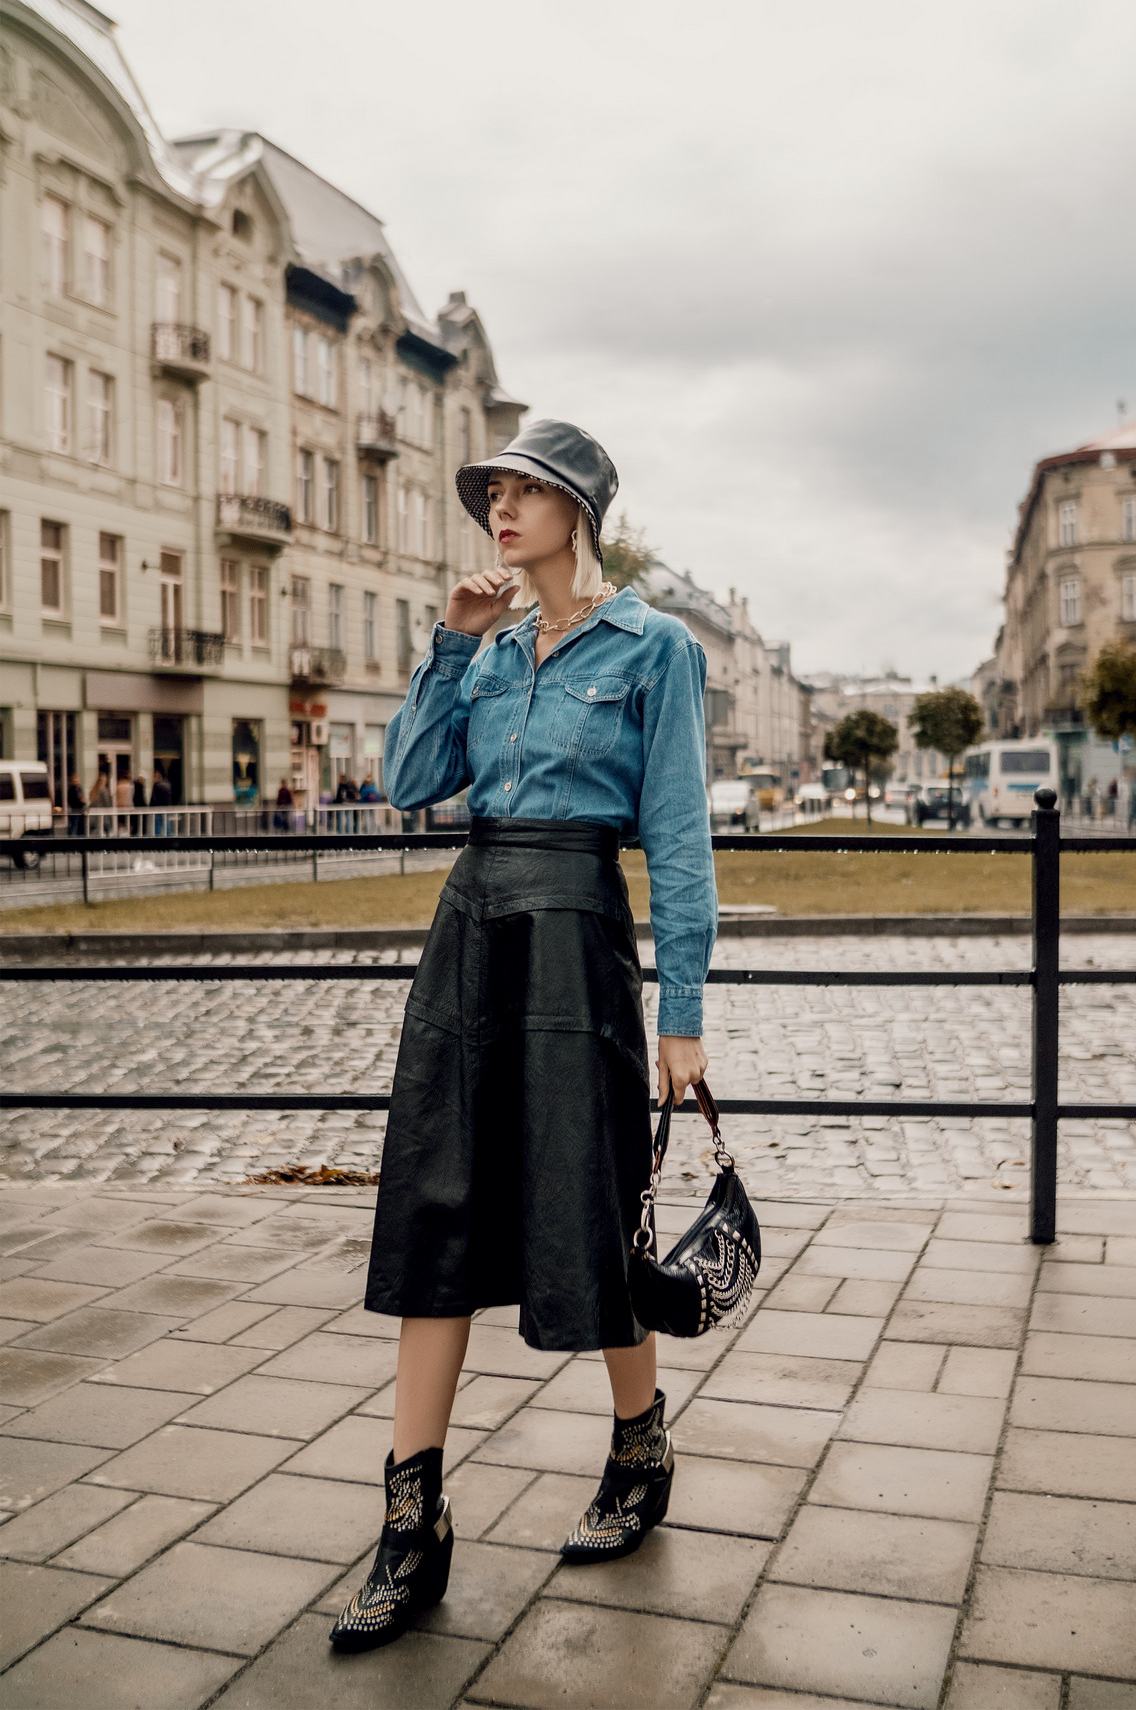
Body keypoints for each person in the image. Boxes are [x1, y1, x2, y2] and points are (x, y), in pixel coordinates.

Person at [329, 419, 717, 1653]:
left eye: (525, 489)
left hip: (575, 934)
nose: (500, 506)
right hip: (471, 930)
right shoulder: (488, 650)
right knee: (434, 1206)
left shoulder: (656, 649)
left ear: (580, 507)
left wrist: (686, 1015)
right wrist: (451, 640)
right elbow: (407, 778)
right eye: (492, 488)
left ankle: (639, 1444)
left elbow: (681, 836)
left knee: (587, 1205)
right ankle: (411, 1520)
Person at [150, 767, 172, 837]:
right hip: (166, 807)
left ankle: (158, 836)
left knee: (158, 823)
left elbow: (153, 798)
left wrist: (151, 806)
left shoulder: (156, 785)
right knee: (166, 821)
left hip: (158, 807)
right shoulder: (167, 785)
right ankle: (168, 835)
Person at [66, 773, 86, 837]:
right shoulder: (71, 790)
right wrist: (81, 801)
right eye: (75, 780)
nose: (76, 781)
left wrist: (83, 801)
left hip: (80, 810)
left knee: (80, 826)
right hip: (74, 810)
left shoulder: (79, 789)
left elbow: (82, 798)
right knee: (73, 825)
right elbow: (74, 800)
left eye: (77, 779)